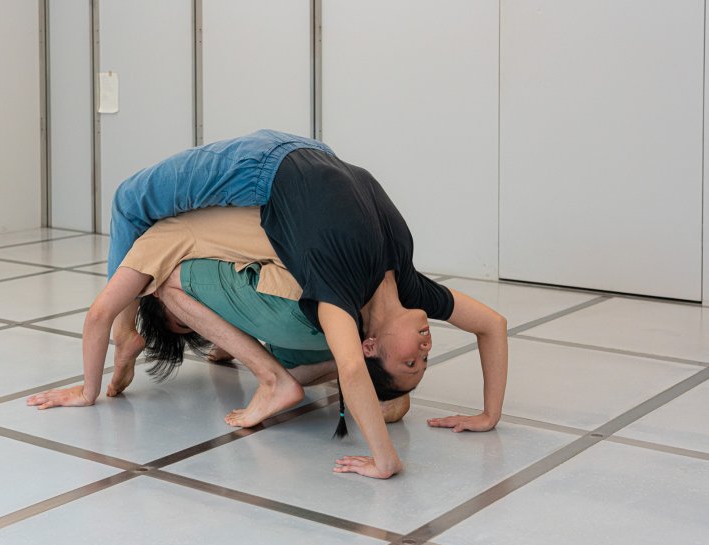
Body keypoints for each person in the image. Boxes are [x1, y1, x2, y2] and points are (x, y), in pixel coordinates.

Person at [34, 130, 508, 480]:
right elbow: (492, 324)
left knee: (128, 199)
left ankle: (126, 334)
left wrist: (385, 461)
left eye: (411, 362)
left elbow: (350, 366)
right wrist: (489, 416)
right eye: (423, 361)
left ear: (370, 344)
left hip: (267, 164)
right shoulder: (411, 286)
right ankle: (132, 334)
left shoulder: (338, 290)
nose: (426, 349)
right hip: (310, 156)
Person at [27, 207, 413, 424]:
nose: (201, 319)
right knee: (294, 364)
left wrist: (89, 390)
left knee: (171, 285)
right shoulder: (211, 225)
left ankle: (278, 381)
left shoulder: (160, 242)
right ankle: (369, 370)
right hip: (346, 306)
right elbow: (236, 296)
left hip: (307, 298)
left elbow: (100, 312)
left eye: (185, 320)